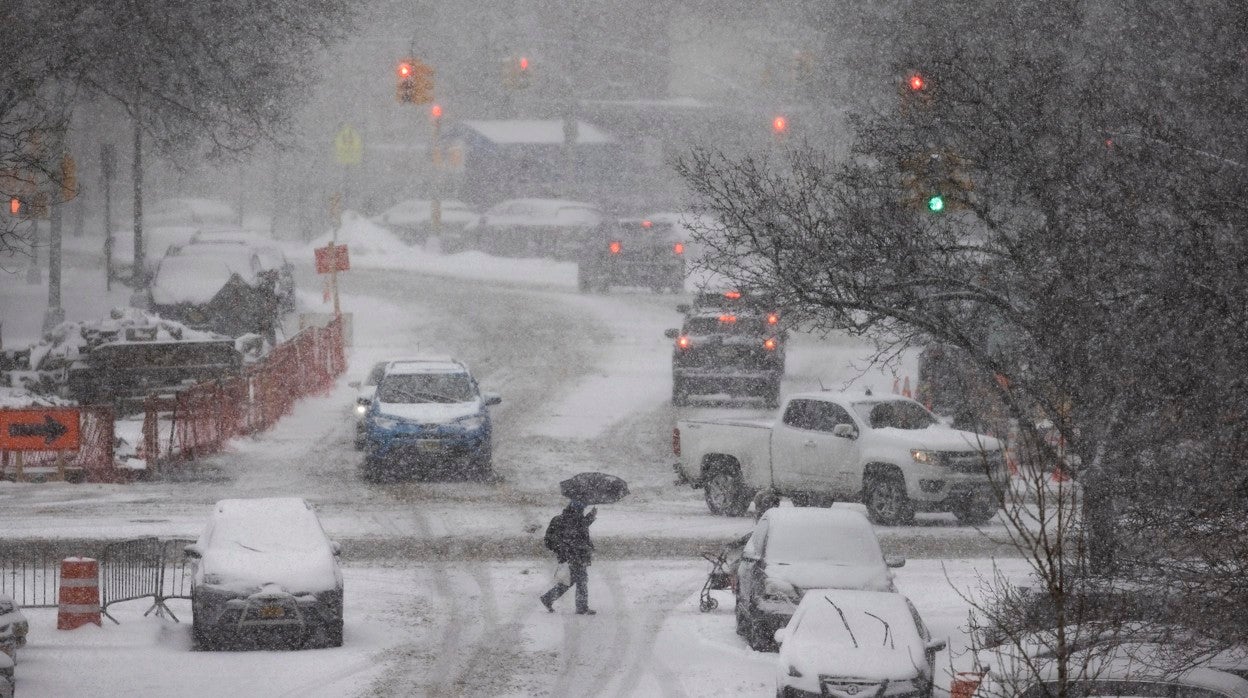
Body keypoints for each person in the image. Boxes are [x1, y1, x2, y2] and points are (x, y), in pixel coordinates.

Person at [540, 500, 597, 615]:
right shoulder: (575, 520)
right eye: (582, 509)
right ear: (577, 510)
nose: (582, 511)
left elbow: (549, 539)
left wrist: (591, 516)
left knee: (571, 580)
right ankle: (581, 607)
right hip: (575, 555)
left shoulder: (560, 519)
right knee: (581, 580)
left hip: (569, 555)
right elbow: (579, 530)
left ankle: (548, 598)